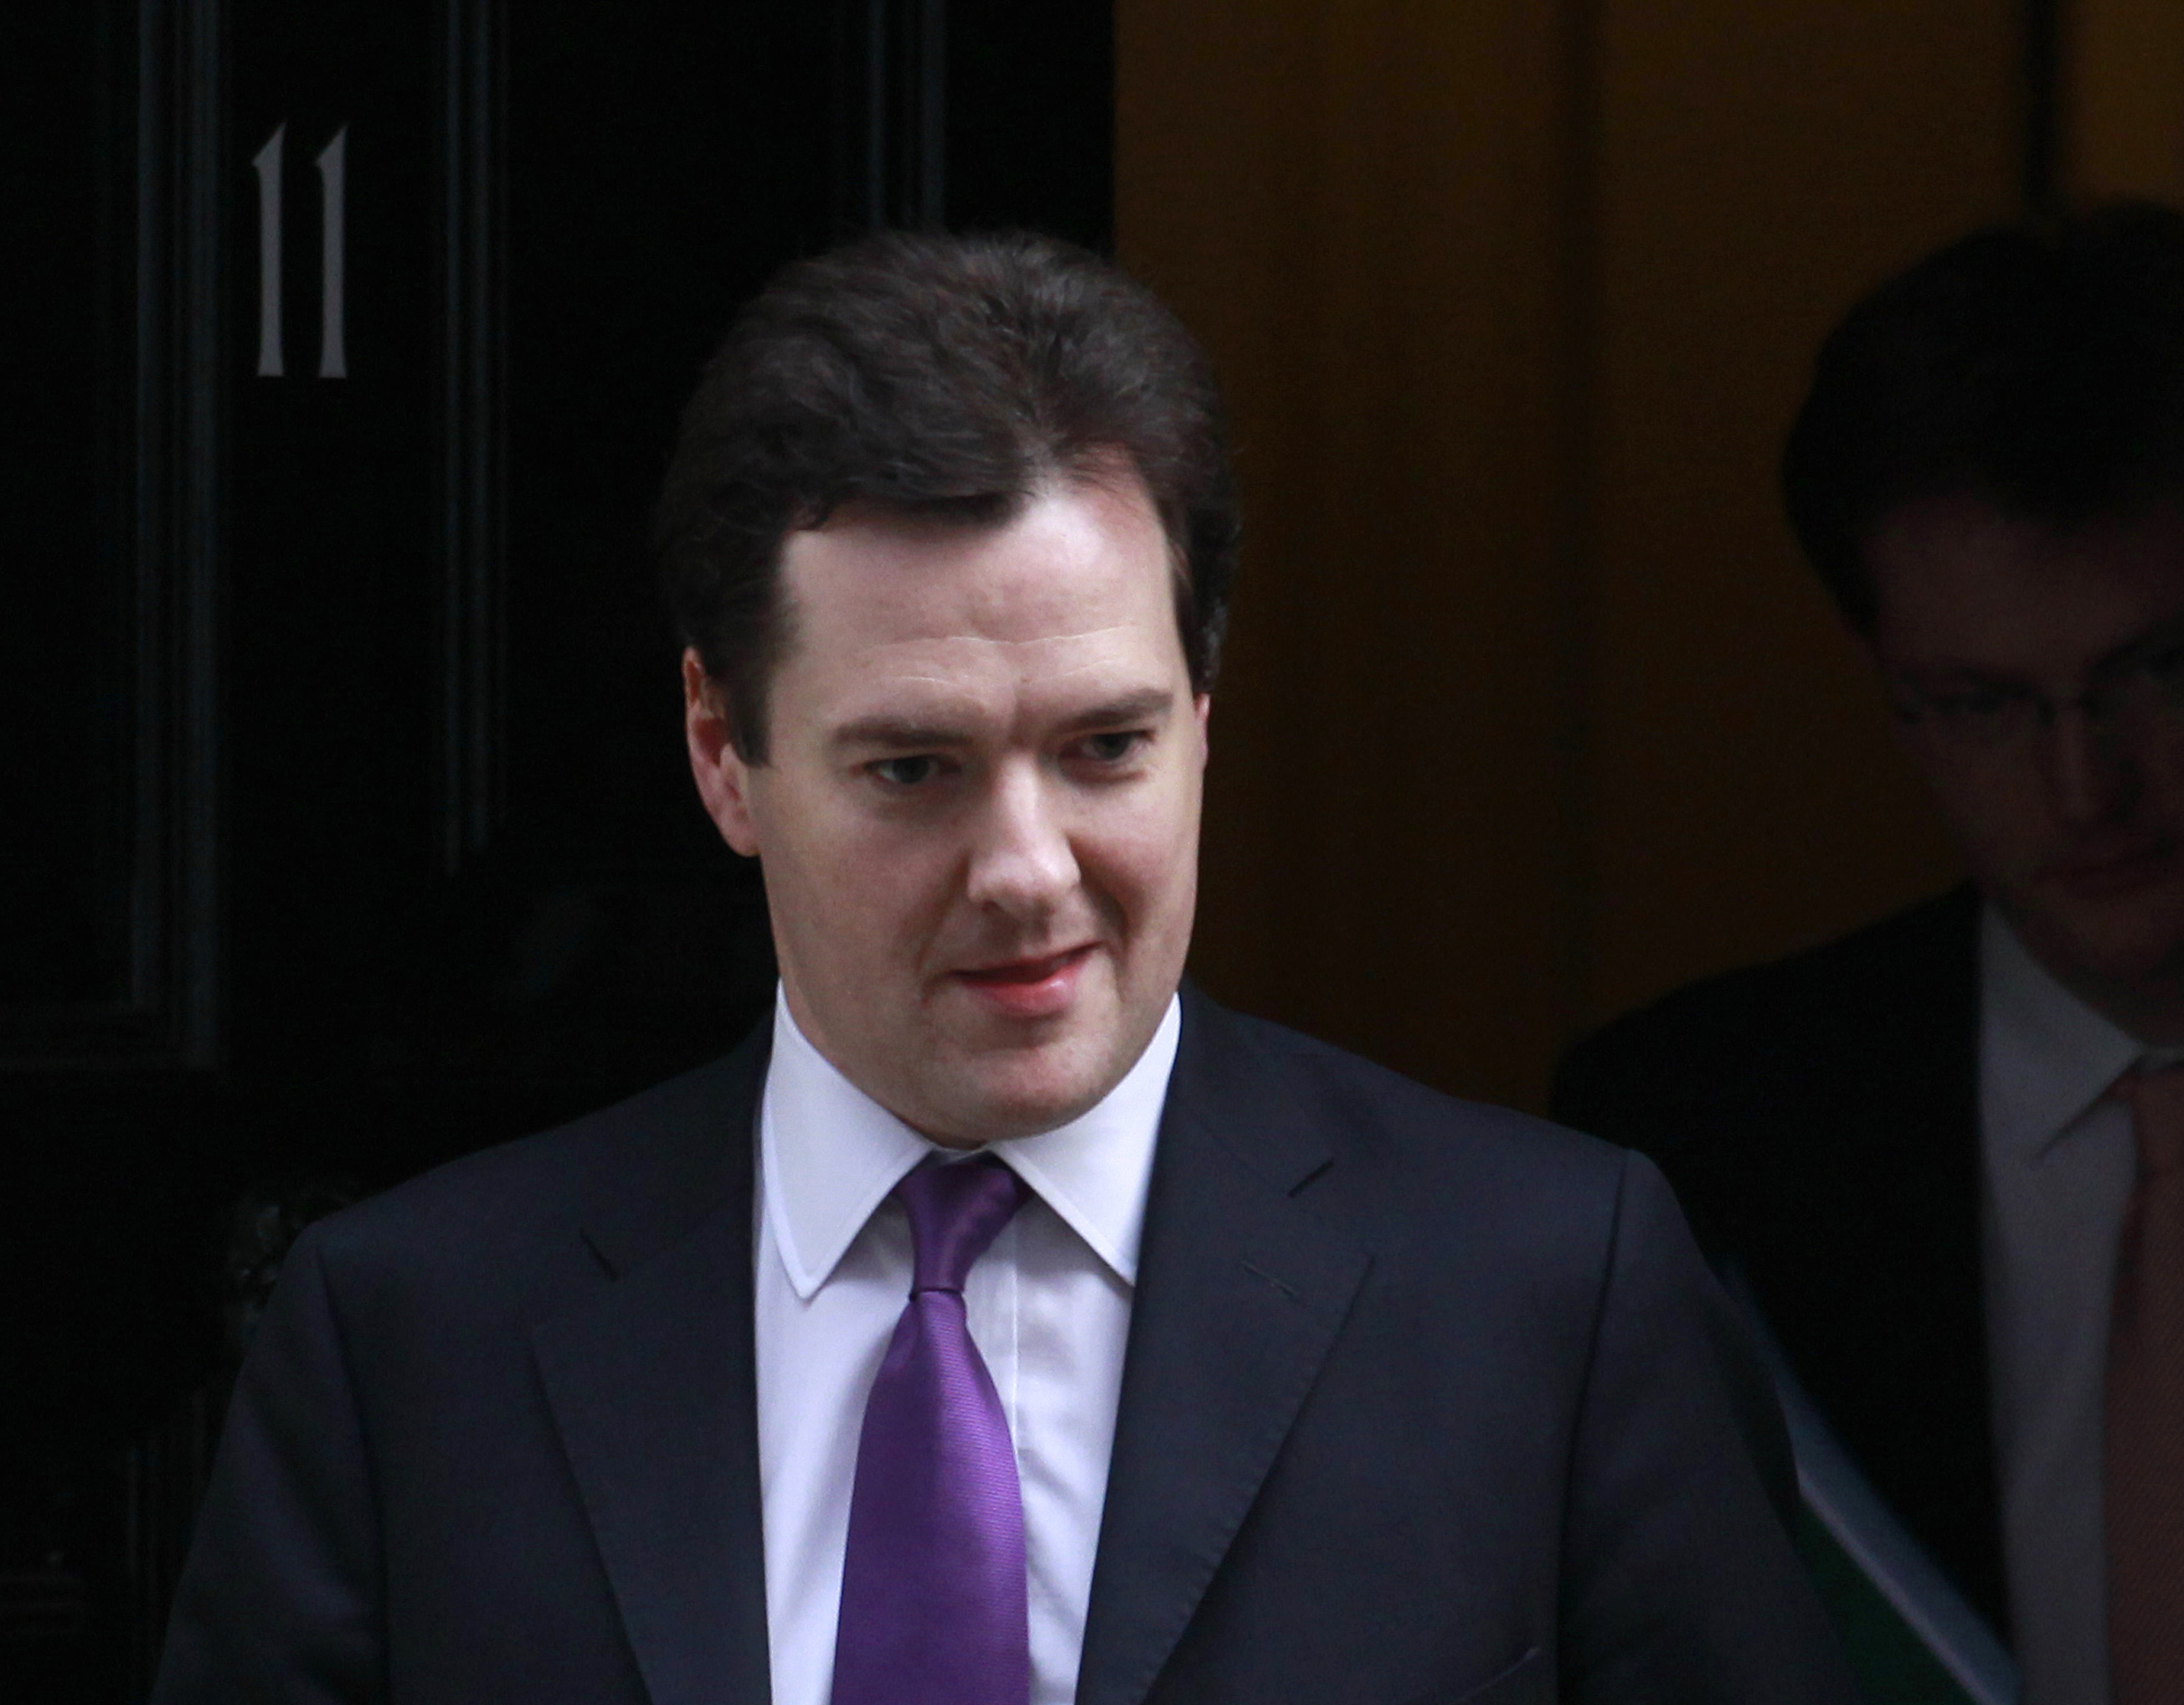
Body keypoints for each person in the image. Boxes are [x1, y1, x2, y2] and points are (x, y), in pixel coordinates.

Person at [154, 229, 1853, 1704]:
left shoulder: (1550, 1295)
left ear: (1204, 716)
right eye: (915, 768)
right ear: (722, 754)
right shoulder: (410, 1345)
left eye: (1105, 747)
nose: (1029, 870)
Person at [1553, 203, 2184, 1705]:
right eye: (1979, 704)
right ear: (1879, 669)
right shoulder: (1696, 1142)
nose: (2084, 787)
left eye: (2164, 669)